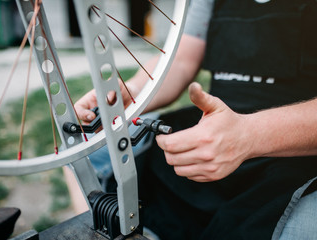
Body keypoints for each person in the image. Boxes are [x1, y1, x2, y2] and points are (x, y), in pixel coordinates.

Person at [73, 0, 317, 239]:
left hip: (296, 155)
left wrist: (249, 135)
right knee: (80, 150)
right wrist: (135, 92)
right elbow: (181, 59)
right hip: (211, 126)